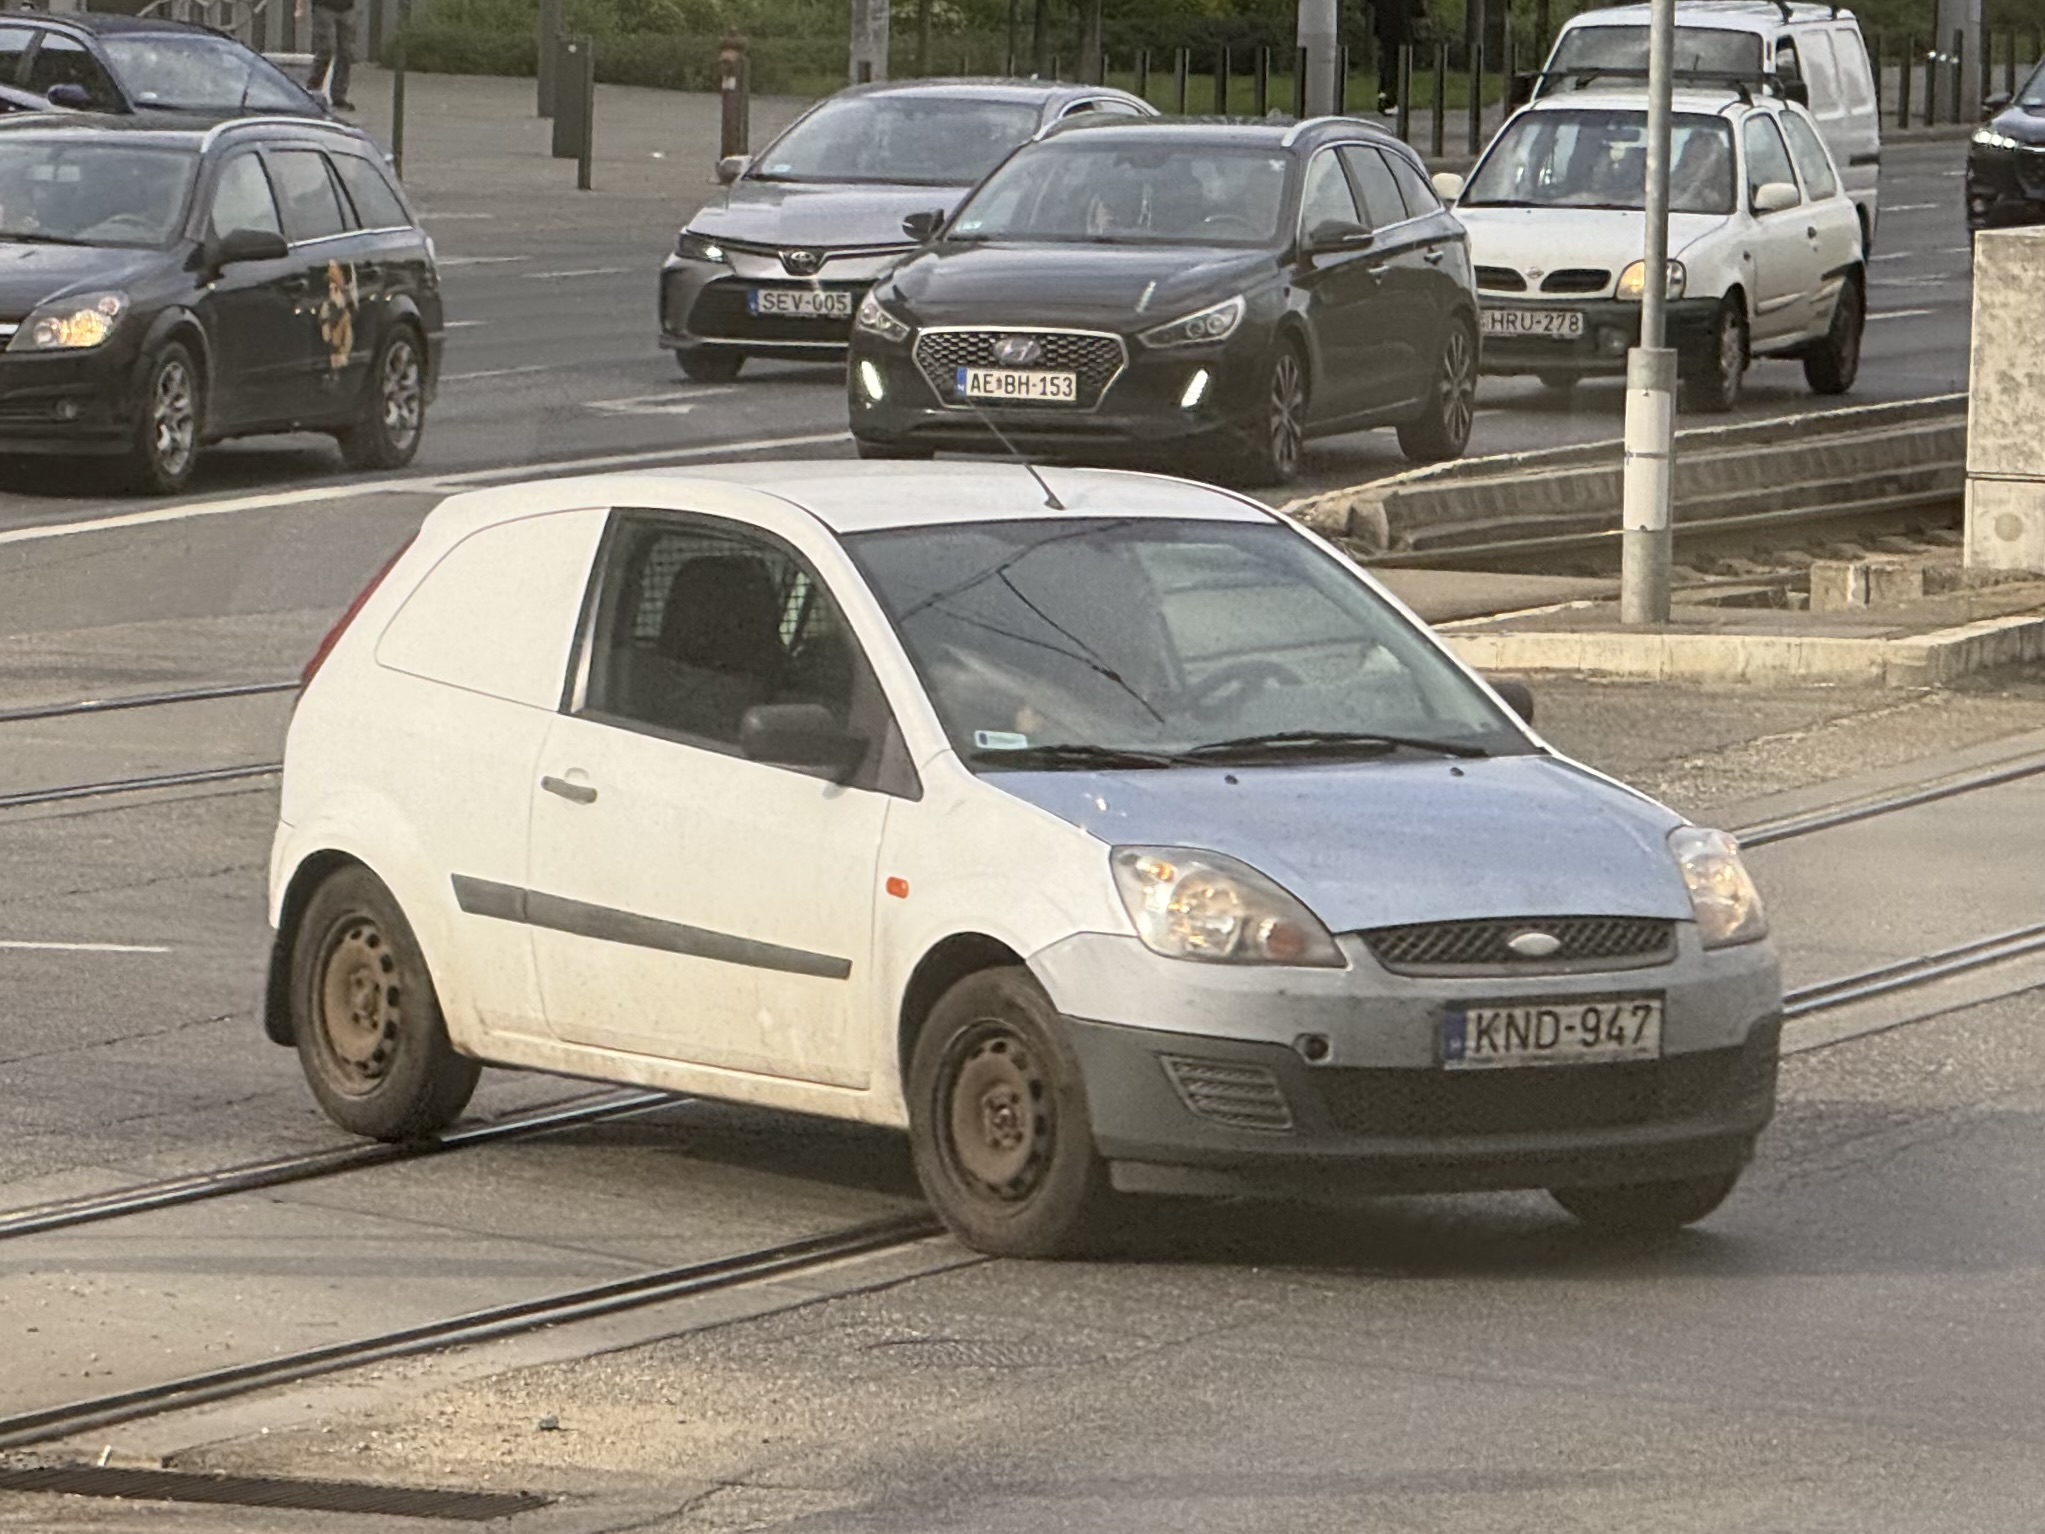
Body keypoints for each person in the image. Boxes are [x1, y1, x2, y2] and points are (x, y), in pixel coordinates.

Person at [300, 0, 357, 112]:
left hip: (346, 8)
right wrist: (300, 7)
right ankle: (313, 89)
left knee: (345, 53)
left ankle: (339, 96)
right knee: (326, 49)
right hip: (324, 6)